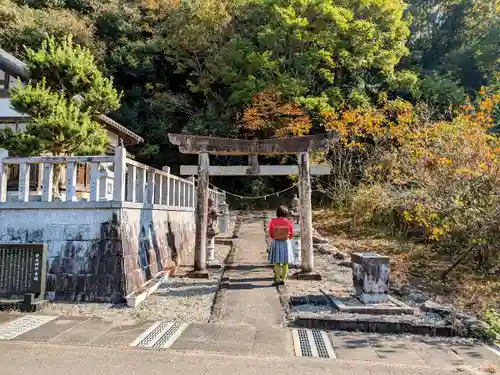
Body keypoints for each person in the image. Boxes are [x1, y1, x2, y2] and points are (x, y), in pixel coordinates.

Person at [268, 205, 294, 285]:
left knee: (277, 262)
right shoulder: (288, 222)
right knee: (285, 262)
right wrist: (288, 238)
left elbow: (270, 232)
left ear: (277, 213)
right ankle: (283, 279)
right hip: (286, 242)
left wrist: (274, 237)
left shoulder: (273, 221)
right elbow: (291, 233)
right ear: (286, 213)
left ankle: (278, 279)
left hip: (276, 242)